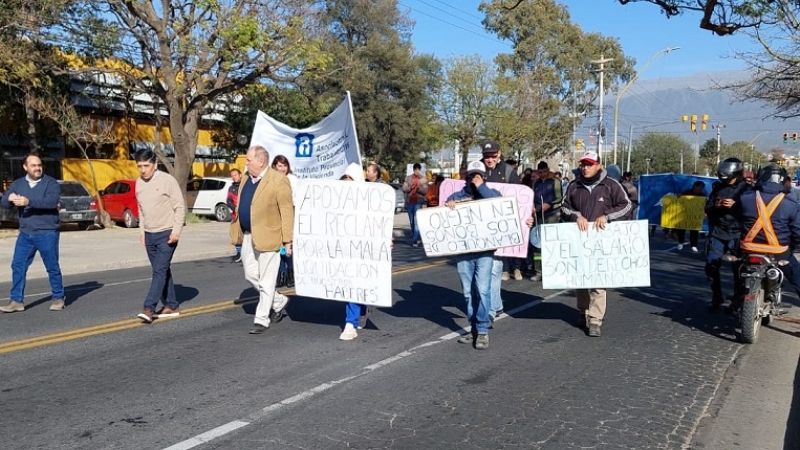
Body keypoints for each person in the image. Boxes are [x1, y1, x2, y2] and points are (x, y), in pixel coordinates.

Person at [561, 150, 632, 337]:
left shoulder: (611, 185)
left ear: (598, 165)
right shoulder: (574, 186)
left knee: (598, 281)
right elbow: (565, 206)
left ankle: (595, 320)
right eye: (583, 164)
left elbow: (626, 205)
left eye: (589, 164)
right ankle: (583, 311)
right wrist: (576, 216)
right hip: (580, 239)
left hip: (602, 240)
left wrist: (607, 217)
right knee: (581, 280)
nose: (585, 168)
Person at [230, 145, 294, 334]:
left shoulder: (278, 180)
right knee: (250, 275)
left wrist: (288, 241)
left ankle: (261, 319)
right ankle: (279, 301)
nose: (246, 163)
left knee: (267, 280)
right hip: (249, 235)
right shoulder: (244, 180)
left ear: (261, 161)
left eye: (249, 160)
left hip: (270, 236)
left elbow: (286, 212)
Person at [446, 160, 502, 350]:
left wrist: (481, 188)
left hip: (485, 252)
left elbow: (499, 205)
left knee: (483, 290)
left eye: (478, 175)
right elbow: (445, 218)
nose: (474, 179)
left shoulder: (492, 194)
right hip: (464, 252)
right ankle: (474, 328)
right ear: (466, 177)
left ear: (484, 177)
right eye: (471, 176)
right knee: (469, 293)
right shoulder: (457, 196)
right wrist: (450, 206)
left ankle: (483, 331)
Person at [0, 153, 65, 313]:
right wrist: (9, 199)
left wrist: (28, 201)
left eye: (39, 165)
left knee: (52, 266)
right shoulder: (18, 184)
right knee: (18, 265)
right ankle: (16, 301)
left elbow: (51, 202)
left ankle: (58, 297)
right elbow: (4, 203)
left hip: (47, 232)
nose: (37, 168)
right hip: (25, 233)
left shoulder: (51, 183)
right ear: (25, 167)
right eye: (33, 165)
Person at [133, 149, 186, 323]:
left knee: (159, 271)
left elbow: (179, 206)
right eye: (139, 166)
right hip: (149, 234)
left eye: (146, 166)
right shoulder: (139, 183)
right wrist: (142, 232)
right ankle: (172, 304)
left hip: (167, 233)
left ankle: (149, 308)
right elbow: (141, 210)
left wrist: (176, 231)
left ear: (155, 164)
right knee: (162, 270)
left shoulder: (167, 181)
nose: (143, 170)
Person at [480, 140, 518, 318]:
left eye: (493, 156)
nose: (489, 159)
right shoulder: (476, 169)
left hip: (500, 228)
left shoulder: (509, 172)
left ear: (499, 154)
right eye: (486, 156)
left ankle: (491, 309)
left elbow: (521, 197)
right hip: (479, 228)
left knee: (495, 268)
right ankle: (496, 304)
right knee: (482, 271)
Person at [705, 158, 747, 311]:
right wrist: (716, 205)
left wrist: (736, 206)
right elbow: (707, 208)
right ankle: (717, 296)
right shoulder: (717, 188)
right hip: (718, 232)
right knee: (711, 265)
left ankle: (738, 300)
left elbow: (753, 211)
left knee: (740, 270)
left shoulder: (747, 189)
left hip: (738, 233)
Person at [338, 162, 374, 340]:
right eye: (344, 179)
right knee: (349, 284)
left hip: (362, 248)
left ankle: (350, 323)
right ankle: (360, 309)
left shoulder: (368, 199)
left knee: (355, 284)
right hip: (343, 247)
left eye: (350, 179)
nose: (346, 182)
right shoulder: (337, 199)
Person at [529, 161, 562, 281]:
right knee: (537, 244)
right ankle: (538, 271)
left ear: (548, 170)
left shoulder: (555, 182)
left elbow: (560, 199)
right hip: (538, 215)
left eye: (544, 172)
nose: (542, 174)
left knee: (550, 244)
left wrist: (550, 205)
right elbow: (531, 197)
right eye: (540, 172)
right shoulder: (536, 183)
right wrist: (531, 206)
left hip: (552, 215)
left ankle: (551, 270)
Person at [402, 163, 428, 247]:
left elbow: (425, 191)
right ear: (413, 170)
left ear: (420, 170)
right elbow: (404, 188)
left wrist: (418, 187)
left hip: (418, 202)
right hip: (410, 202)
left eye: (418, 169)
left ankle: (415, 240)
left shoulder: (423, 179)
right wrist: (410, 187)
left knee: (417, 222)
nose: (417, 171)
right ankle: (415, 237)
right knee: (412, 222)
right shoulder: (408, 178)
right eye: (415, 169)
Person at [676, 181, 706, 252]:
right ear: (694, 186)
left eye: (700, 189)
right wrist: (679, 196)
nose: (699, 190)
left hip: (695, 217)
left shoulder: (702, 195)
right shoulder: (686, 193)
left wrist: (705, 212)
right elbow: (678, 200)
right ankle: (680, 242)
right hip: (684, 215)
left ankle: (694, 245)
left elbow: (704, 205)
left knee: (694, 231)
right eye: (698, 188)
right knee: (681, 229)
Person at [227, 168, 242, 262]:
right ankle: (239, 253)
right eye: (232, 176)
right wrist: (234, 208)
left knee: (246, 235)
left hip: (245, 214)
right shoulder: (231, 188)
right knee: (235, 235)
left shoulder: (245, 186)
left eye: (235, 175)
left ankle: (245, 254)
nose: (234, 177)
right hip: (235, 215)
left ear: (240, 175)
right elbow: (228, 201)